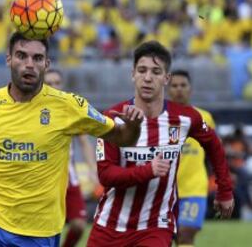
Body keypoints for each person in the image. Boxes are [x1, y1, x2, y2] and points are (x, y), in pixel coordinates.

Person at [0, 32, 144, 247]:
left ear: (47, 63)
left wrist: (134, 126)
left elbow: (123, 137)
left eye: (37, 58)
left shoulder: (69, 106)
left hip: (39, 233)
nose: (29, 64)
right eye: (21, 56)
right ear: (9, 59)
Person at [87, 40, 234, 247]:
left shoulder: (185, 118)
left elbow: (214, 145)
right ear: (133, 74)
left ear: (166, 78)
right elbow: (106, 175)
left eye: (156, 72)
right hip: (109, 225)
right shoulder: (113, 117)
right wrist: (149, 170)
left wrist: (224, 190)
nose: (148, 78)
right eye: (142, 70)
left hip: (156, 227)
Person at [45, 69, 98, 247]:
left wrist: (92, 169)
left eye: (57, 83)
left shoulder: (70, 110)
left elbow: (84, 142)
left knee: (79, 225)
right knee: (49, 230)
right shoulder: (34, 110)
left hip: (69, 180)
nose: (54, 87)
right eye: (49, 83)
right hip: (44, 182)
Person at [167, 69, 215, 247]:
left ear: (190, 89)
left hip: (194, 188)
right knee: (164, 240)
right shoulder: (160, 118)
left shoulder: (205, 117)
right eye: (174, 86)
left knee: (185, 236)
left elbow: (213, 151)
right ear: (168, 90)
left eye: (183, 85)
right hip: (164, 191)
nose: (179, 89)